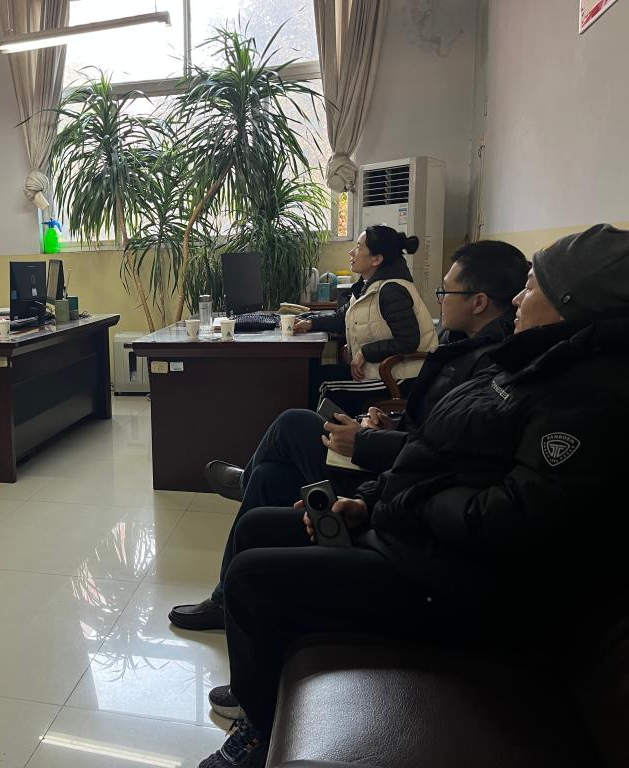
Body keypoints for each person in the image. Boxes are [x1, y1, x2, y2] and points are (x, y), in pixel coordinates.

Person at [197, 224, 629, 768]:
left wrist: (400, 502)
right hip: (416, 535)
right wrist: (369, 502)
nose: (519, 299)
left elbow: (511, 517)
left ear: (571, 301)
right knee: (261, 518)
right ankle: (259, 690)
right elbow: (435, 452)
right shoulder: (532, 363)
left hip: (450, 579)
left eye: (532, 288)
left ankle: (258, 734)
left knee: (253, 573)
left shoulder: (588, 398)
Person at [169, 240, 529, 632]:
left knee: (294, 422)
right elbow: (437, 431)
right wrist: (391, 425)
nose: (439, 300)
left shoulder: (487, 367)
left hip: (389, 482)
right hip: (393, 460)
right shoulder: (463, 346)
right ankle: (230, 597)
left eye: (446, 292)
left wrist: (365, 442)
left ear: (479, 302)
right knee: (270, 477)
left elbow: (444, 455)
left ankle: (242, 497)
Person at [297, 225, 438, 414]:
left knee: (321, 383)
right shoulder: (368, 287)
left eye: (358, 247)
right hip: (377, 370)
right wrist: (310, 322)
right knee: (310, 376)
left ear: (377, 259)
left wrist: (365, 352)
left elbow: (408, 341)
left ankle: (323, 432)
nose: (351, 252)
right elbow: (341, 318)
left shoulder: (391, 290)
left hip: (399, 377)